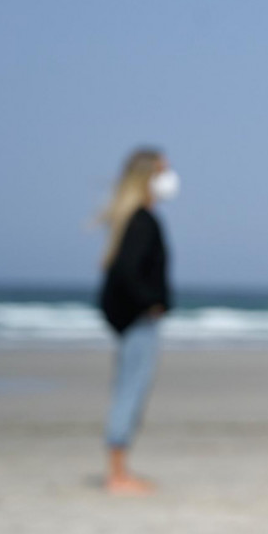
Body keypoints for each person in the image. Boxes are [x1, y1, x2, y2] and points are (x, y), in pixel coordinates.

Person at [97, 147, 177, 495]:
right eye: (163, 171)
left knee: (128, 389)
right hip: (137, 321)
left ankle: (119, 468)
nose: (170, 179)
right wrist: (152, 303)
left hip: (130, 320)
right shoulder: (141, 220)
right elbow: (126, 273)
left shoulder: (130, 218)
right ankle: (118, 473)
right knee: (130, 391)